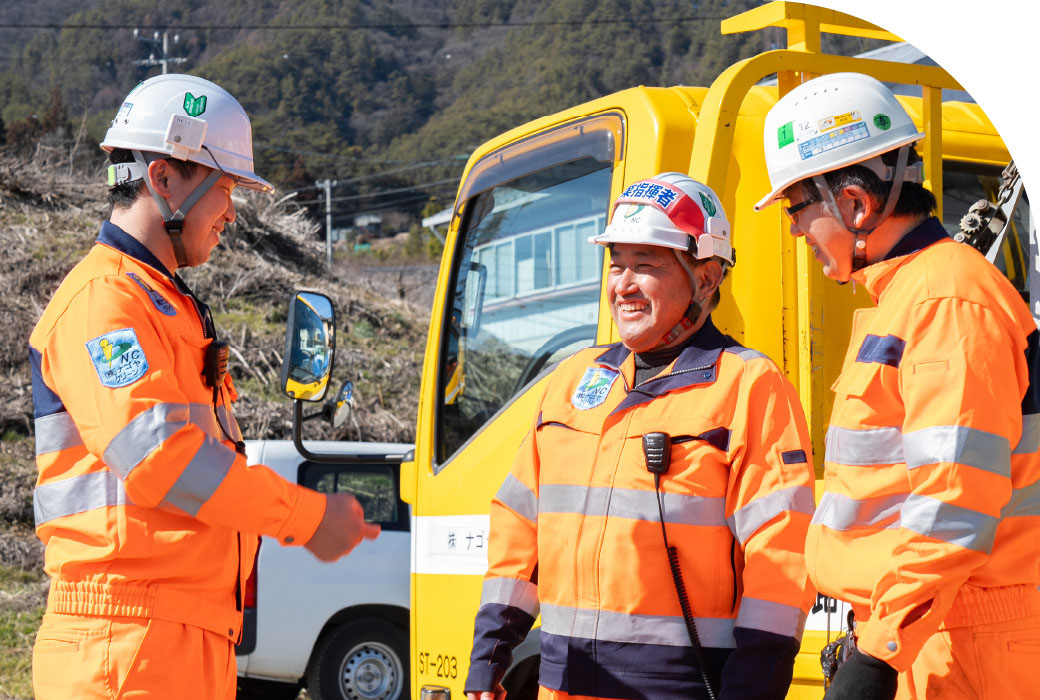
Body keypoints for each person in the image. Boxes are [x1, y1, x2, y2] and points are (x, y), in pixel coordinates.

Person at [28, 74, 380, 700]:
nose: (231, 214)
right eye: (225, 189)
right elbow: (162, 459)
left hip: (168, 639)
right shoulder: (103, 303)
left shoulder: (159, 304)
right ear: (163, 179)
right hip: (128, 644)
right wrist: (306, 517)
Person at [464, 173, 817, 700]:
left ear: (707, 277)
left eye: (645, 265)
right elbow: (520, 523)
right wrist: (490, 653)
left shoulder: (748, 385)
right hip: (561, 685)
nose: (623, 285)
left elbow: (780, 558)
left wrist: (754, 688)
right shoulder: (574, 379)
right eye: (616, 264)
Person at [756, 72, 1040, 700]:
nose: (797, 231)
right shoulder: (913, 296)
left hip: (957, 642)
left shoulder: (946, 299)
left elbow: (955, 501)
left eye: (798, 208)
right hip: (930, 629)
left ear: (854, 204)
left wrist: (879, 652)